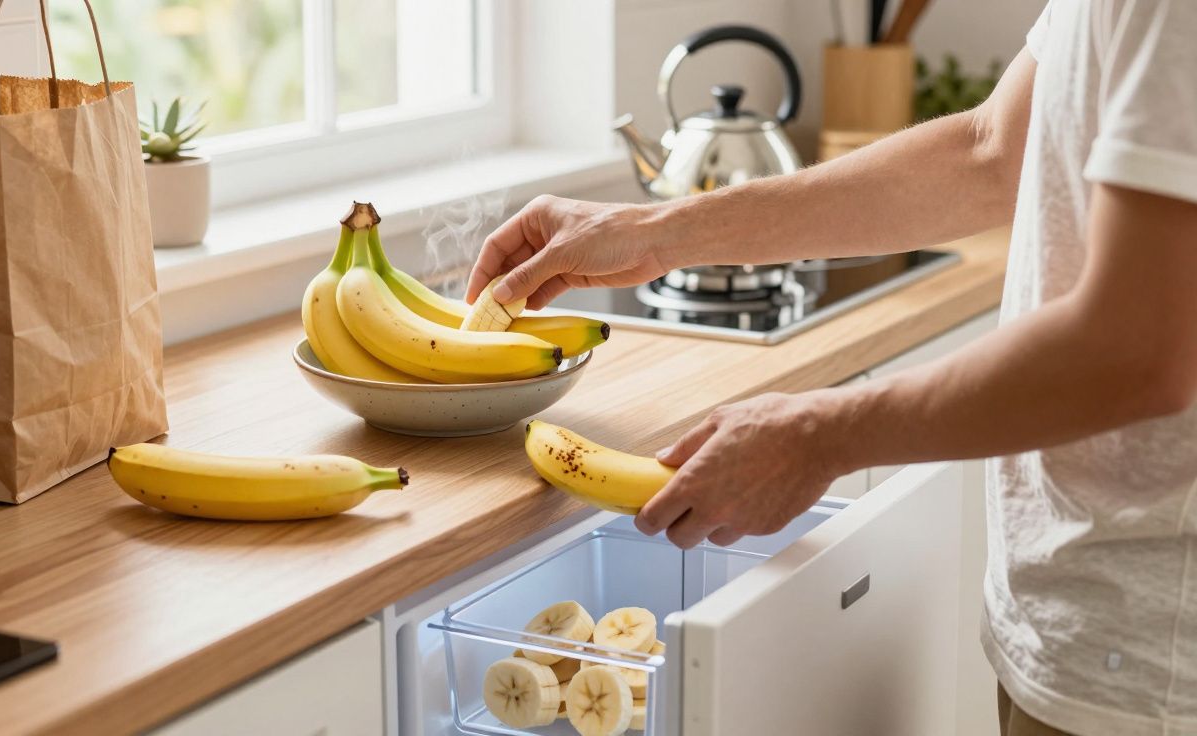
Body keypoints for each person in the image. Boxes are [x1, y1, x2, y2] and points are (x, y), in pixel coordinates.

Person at [466, 2, 1197, 735]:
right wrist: (653, 232)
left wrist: (822, 434)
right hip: (1066, 624)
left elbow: (1136, 347)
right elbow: (990, 150)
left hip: (1148, 665)